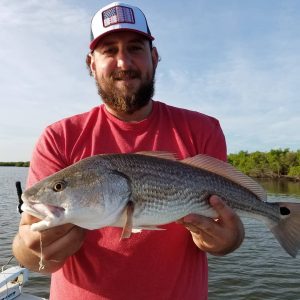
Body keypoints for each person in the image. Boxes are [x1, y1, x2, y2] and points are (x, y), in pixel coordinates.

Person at [13, 2, 244, 299]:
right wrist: (32, 249)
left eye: (135, 48)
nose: (123, 63)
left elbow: (227, 234)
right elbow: (27, 250)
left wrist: (227, 239)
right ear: (91, 64)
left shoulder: (203, 129)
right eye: (109, 51)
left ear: (155, 57)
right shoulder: (59, 137)